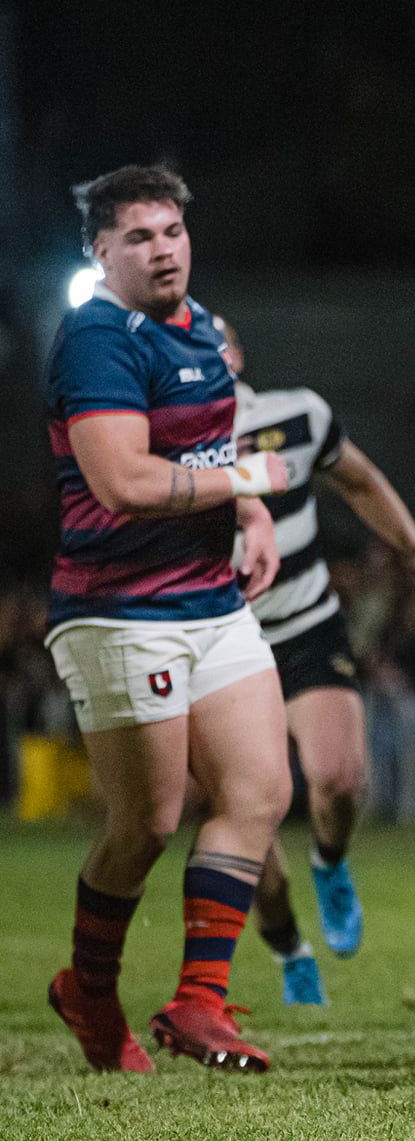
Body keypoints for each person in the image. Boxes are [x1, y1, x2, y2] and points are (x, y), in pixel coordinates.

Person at [44, 165, 291, 1073]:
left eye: (173, 231)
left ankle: (198, 1003)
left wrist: (250, 513)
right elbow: (126, 480)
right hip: (118, 613)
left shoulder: (201, 326)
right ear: (100, 252)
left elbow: (214, 442)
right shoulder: (97, 339)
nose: (162, 248)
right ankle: (90, 992)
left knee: (260, 792)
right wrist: (248, 485)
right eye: (139, 236)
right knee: (146, 821)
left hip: (210, 602)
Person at [215, 321, 415, 1007]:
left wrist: (414, 550)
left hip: (307, 627)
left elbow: (361, 481)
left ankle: (330, 860)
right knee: (249, 817)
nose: (208, 352)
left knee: (340, 779)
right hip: (222, 644)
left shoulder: (295, 414)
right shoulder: (156, 439)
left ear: (237, 351)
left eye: (219, 340)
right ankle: (290, 947)